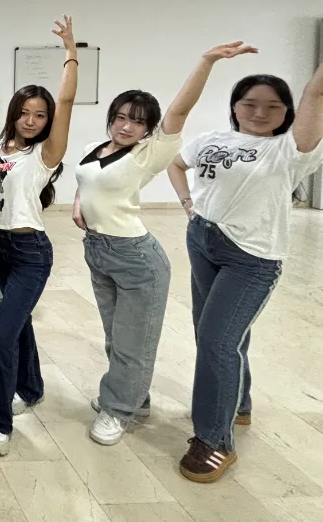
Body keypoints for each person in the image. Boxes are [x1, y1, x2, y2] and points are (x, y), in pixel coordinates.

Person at [74, 42, 257, 447]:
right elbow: (87, 180)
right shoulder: (93, 149)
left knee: (133, 341)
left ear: (149, 129)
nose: (126, 127)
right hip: (98, 251)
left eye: (137, 122)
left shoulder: (148, 154)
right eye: (121, 117)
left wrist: (207, 61)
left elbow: (179, 110)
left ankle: (119, 409)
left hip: (136, 259)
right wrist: (78, 202)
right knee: (115, 335)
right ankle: (134, 399)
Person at [166, 53, 323, 483]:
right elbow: (176, 164)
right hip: (203, 240)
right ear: (234, 106)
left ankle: (215, 440)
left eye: (273, 106)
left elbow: (316, 94)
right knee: (219, 334)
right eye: (249, 103)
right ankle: (239, 404)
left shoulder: (291, 150)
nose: (259, 112)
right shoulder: (213, 138)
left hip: (251, 258)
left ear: (288, 112)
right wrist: (187, 203)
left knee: (216, 341)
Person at [0, 16, 79, 456]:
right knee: (18, 324)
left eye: (40, 115)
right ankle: (32, 387)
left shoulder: (45, 153)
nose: (32, 120)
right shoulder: (0, 147)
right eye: (25, 113)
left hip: (29, 252)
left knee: (3, 334)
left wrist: (70, 51)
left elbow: (67, 99)